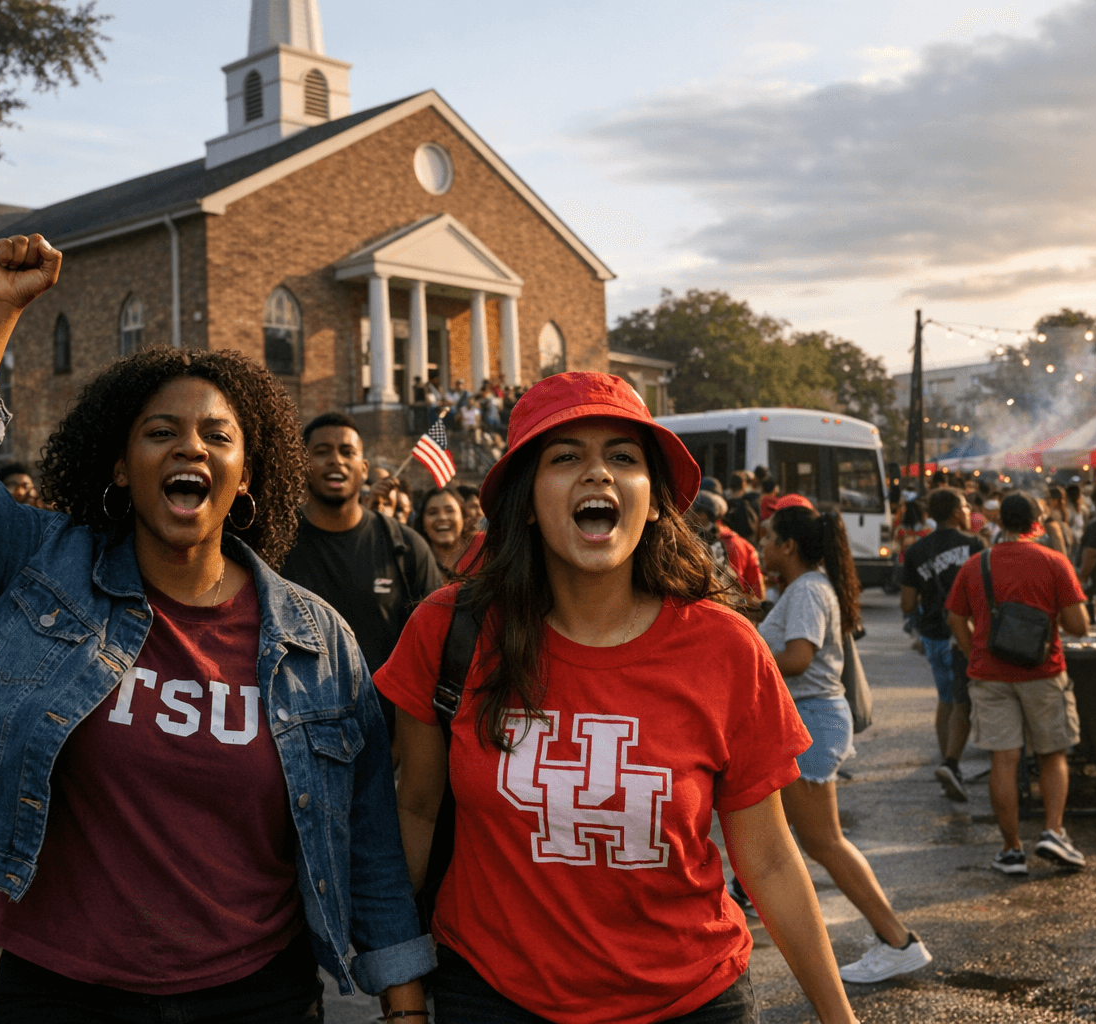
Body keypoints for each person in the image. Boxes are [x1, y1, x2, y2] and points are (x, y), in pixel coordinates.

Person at [0, 234, 430, 1021]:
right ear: (120, 466)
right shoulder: (45, 570)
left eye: (218, 435)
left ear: (247, 476)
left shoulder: (317, 641)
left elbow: (370, 834)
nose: (190, 446)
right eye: (159, 432)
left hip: (257, 996)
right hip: (61, 990)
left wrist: (405, 1001)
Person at [380, 371, 859, 1023]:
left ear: (656, 500)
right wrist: (402, 1000)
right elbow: (414, 814)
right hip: (492, 998)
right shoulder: (445, 630)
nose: (598, 475)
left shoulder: (726, 649)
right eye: (567, 456)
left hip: (691, 1001)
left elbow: (771, 858)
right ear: (526, 499)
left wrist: (840, 1017)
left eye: (623, 458)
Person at [752, 503, 934, 986]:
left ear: (788, 546)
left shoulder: (809, 590)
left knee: (825, 842)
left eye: (769, 537)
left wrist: (743, 650)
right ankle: (894, 941)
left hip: (812, 720)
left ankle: (898, 941)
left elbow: (797, 658)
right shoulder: (803, 588)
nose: (762, 545)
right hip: (811, 719)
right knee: (814, 842)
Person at [947, 494, 1091, 876]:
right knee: (1052, 754)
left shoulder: (977, 564)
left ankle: (1011, 850)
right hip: (1044, 672)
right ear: (1037, 521)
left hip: (989, 675)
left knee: (1003, 760)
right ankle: (1053, 831)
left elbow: (955, 616)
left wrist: (973, 651)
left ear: (1000, 522)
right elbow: (1080, 626)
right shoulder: (1053, 562)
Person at [279, 412, 441, 731]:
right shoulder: (273, 545)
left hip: (384, 740)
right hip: (290, 736)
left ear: (363, 469)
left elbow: (434, 658)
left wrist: (406, 745)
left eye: (347, 452)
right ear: (301, 464)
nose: (336, 461)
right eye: (322, 451)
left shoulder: (406, 548)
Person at [901, 487, 986, 802]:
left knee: (946, 700)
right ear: (954, 512)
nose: (968, 510)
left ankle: (948, 764)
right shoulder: (974, 545)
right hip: (964, 632)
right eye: (965, 505)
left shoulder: (916, 550)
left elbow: (907, 601)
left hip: (933, 634)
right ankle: (952, 764)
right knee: (962, 703)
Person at [418, 486, 471, 573]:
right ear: (422, 523)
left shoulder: (486, 552)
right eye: (432, 512)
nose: (442, 517)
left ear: (464, 518)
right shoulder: (413, 563)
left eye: (449, 510)